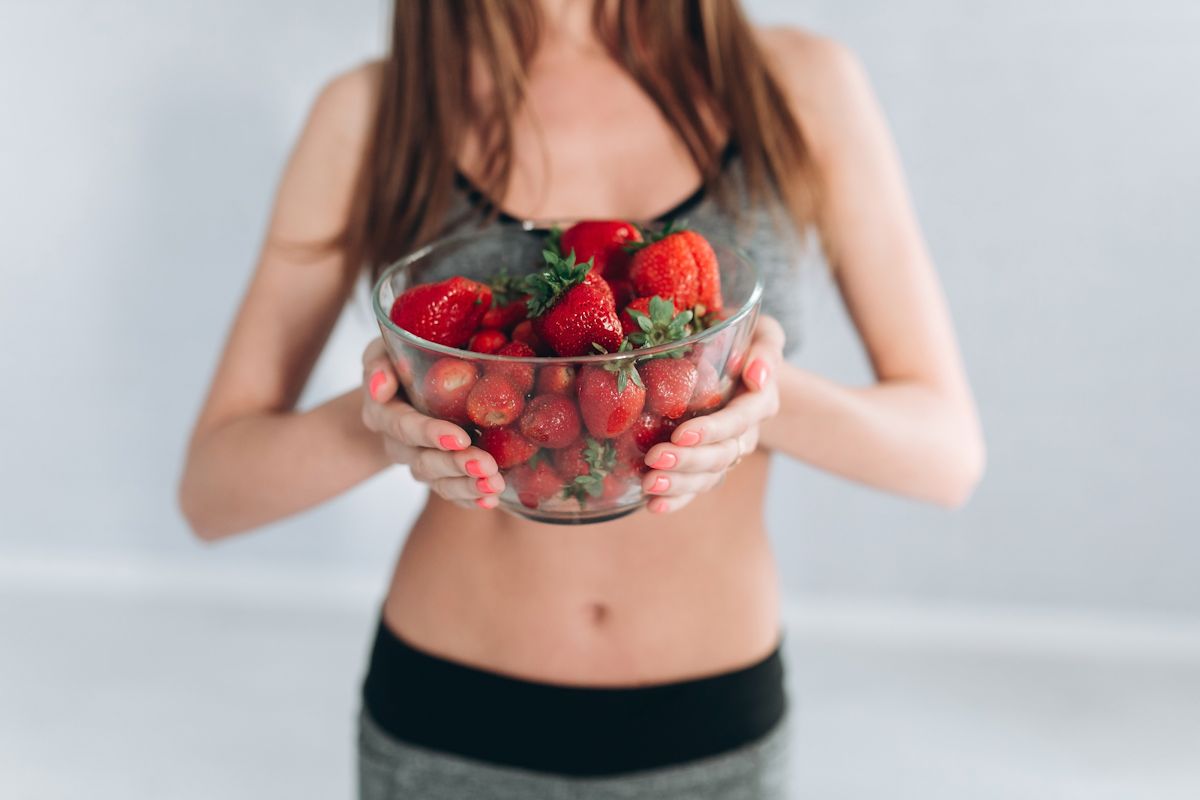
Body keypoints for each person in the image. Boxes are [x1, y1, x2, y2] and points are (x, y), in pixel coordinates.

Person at [179, 1, 985, 797]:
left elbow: (945, 457)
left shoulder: (797, 84)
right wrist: (393, 418)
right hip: (448, 719)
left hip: (708, 732)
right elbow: (214, 492)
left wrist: (745, 389)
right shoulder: (375, 110)